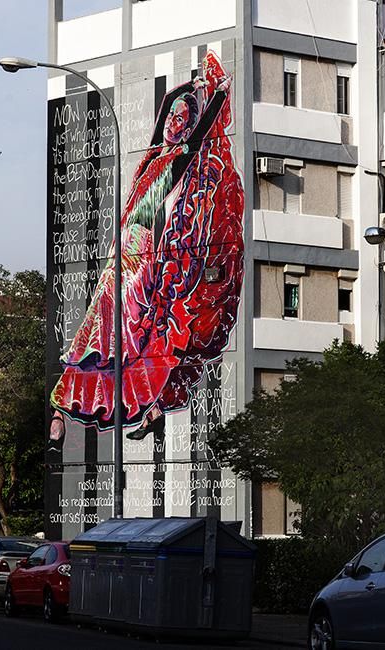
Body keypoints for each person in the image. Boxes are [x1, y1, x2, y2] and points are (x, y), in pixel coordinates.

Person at [49, 50, 244, 443]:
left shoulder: (178, 160)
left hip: (142, 259)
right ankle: (77, 409)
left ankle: (87, 410)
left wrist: (218, 96)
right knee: (101, 338)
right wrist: (193, 90)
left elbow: (202, 133)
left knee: (121, 338)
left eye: (182, 119)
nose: (175, 124)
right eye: (171, 116)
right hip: (119, 256)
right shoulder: (150, 159)